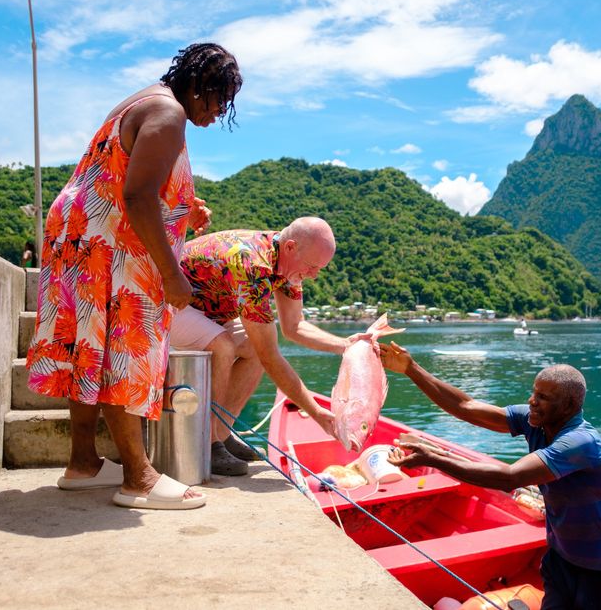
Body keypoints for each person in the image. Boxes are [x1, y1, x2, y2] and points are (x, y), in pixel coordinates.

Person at [26, 43, 241, 510]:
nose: (218, 112)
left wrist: (185, 208)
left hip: (80, 234)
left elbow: (123, 173)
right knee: (125, 347)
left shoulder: (139, 101)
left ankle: (83, 463)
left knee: (89, 345)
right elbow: (139, 195)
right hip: (114, 244)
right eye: (217, 100)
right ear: (199, 86)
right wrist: (171, 273)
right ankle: (139, 478)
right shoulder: (169, 114)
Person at [382, 344, 601, 610]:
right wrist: (411, 369)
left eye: (543, 396)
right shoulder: (536, 421)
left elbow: (510, 477)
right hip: (561, 556)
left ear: (569, 405)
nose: (532, 401)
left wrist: (434, 458)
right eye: (534, 392)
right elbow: (465, 406)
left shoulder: (580, 442)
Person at [169, 217, 367, 475]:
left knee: (251, 348)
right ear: (290, 247)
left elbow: (294, 326)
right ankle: (208, 444)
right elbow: (271, 356)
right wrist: (316, 412)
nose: (314, 275)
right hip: (168, 306)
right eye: (311, 266)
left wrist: (347, 346)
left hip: (207, 312)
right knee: (224, 345)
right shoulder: (250, 264)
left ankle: (222, 431)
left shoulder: (289, 266)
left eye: (320, 269)